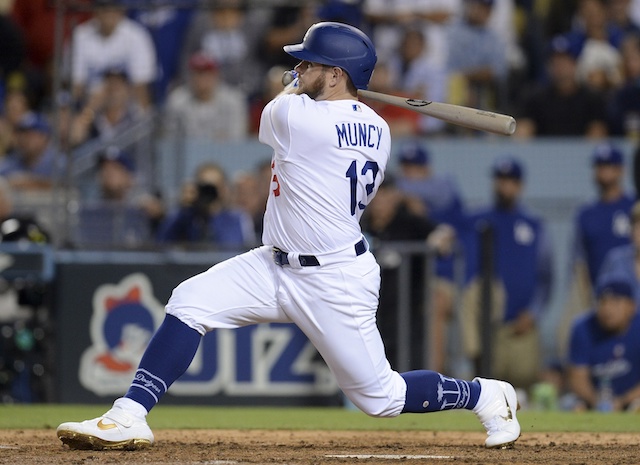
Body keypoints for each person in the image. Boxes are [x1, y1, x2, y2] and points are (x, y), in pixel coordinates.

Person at [56, 22, 520, 452]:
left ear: (336, 75)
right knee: (189, 300)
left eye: (309, 63)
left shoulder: (298, 118)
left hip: (333, 278)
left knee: (382, 397)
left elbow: (278, 103)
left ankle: (484, 394)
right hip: (273, 263)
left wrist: (293, 86)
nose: (298, 69)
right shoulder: (378, 128)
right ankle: (130, 414)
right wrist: (310, 83)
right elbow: (309, 106)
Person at [461, 156, 553, 391]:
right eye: (500, 179)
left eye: (510, 180)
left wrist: (533, 313)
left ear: (520, 185)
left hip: (522, 322)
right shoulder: (478, 219)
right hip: (488, 324)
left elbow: (546, 276)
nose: (505, 186)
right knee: (487, 386)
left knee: (524, 383)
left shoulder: (533, 224)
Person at [559, 142, 635, 358]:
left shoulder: (632, 207)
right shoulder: (587, 213)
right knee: (570, 335)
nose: (603, 171)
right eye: (599, 166)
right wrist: (585, 298)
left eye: (609, 165)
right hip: (601, 298)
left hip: (634, 298)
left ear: (621, 170)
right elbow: (578, 262)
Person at [567, 273, 640, 411]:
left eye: (616, 302)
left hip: (632, 399)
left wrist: (623, 401)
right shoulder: (584, 327)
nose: (607, 308)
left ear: (632, 306)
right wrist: (598, 402)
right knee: (573, 405)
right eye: (603, 301)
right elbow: (577, 378)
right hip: (594, 400)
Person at [514, 34, 608, 139]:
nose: (560, 66)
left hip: (580, 153)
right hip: (544, 153)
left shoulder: (592, 99)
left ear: (575, 63)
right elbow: (522, 133)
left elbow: (597, 136)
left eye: (565, 60)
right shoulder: (535, 98)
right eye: (555, 61)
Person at [70, 0, 156, 111]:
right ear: (95, 12)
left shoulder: (137, 35)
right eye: (104, 8)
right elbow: (76, 86)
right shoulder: (80, 35)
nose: (109, 13)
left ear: (121, 11)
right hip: (91, 104)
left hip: (126, 106)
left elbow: (140, 85)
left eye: (113, 8)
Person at [156, 162, 255, 248]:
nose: (209, 192)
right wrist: (184, 207)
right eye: (205, 187)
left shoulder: (237, 218)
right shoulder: (186, 217)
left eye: (214, 187)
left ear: (223, 188)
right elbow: (162, 243)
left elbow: (242, 249)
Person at [163, 52, 248, 141]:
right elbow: (170, 140)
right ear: (190, 76)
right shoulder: (177, 101)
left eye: (207, 73)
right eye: (198, 73)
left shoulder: (233, 100)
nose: (202, 79)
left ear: (216, 75)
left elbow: (238, 140)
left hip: (224, 153)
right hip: (188, 153)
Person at [0, 111, 62, 190]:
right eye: (22, 133)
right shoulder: (11, 162)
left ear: (45, 137)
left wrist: (32, 183)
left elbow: (67, 185)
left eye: (31, 134)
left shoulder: (59, 162)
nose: (26, 139)